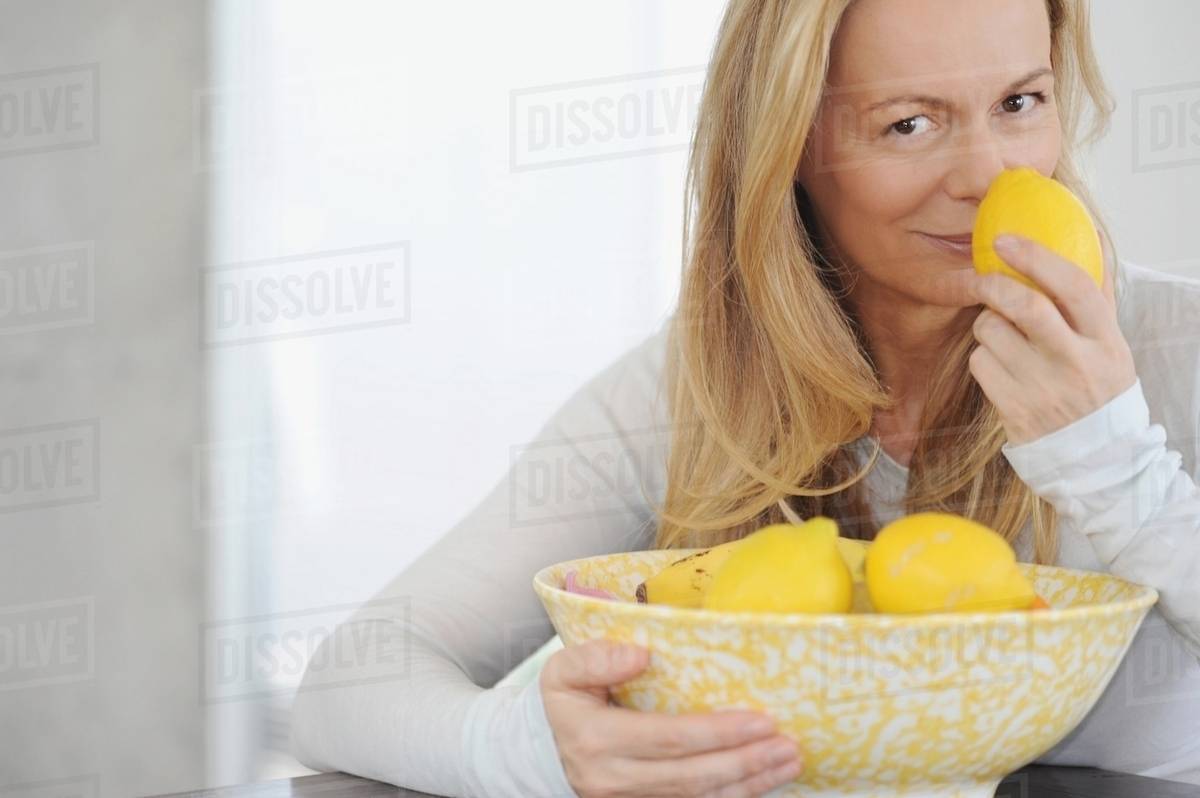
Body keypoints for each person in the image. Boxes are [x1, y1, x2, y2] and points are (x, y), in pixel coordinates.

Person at [291, 0, 1200, 795]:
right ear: (790, 143)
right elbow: (350, 687)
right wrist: (521, 752)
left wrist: (1115, 466)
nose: (987, 174)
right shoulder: (700, 387)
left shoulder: (1176, 344)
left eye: (1019, 103)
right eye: (909, 125)